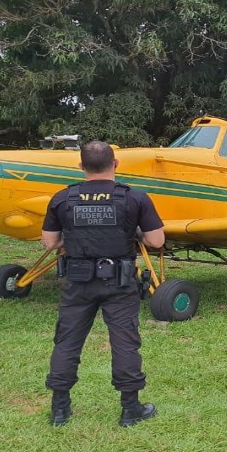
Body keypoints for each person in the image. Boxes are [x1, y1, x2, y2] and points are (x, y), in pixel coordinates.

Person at [41, 140, 165, 427]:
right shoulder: (135, 198)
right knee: (124, 343)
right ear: (116, 164)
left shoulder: (62, 198)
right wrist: (133, 232)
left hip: (77, 281)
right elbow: (156, 240)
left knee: (67, 342)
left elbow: (49, 242)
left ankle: (60, 409)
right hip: (119, 283)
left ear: (81, 166)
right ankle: (130, 409)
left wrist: (72, 238)